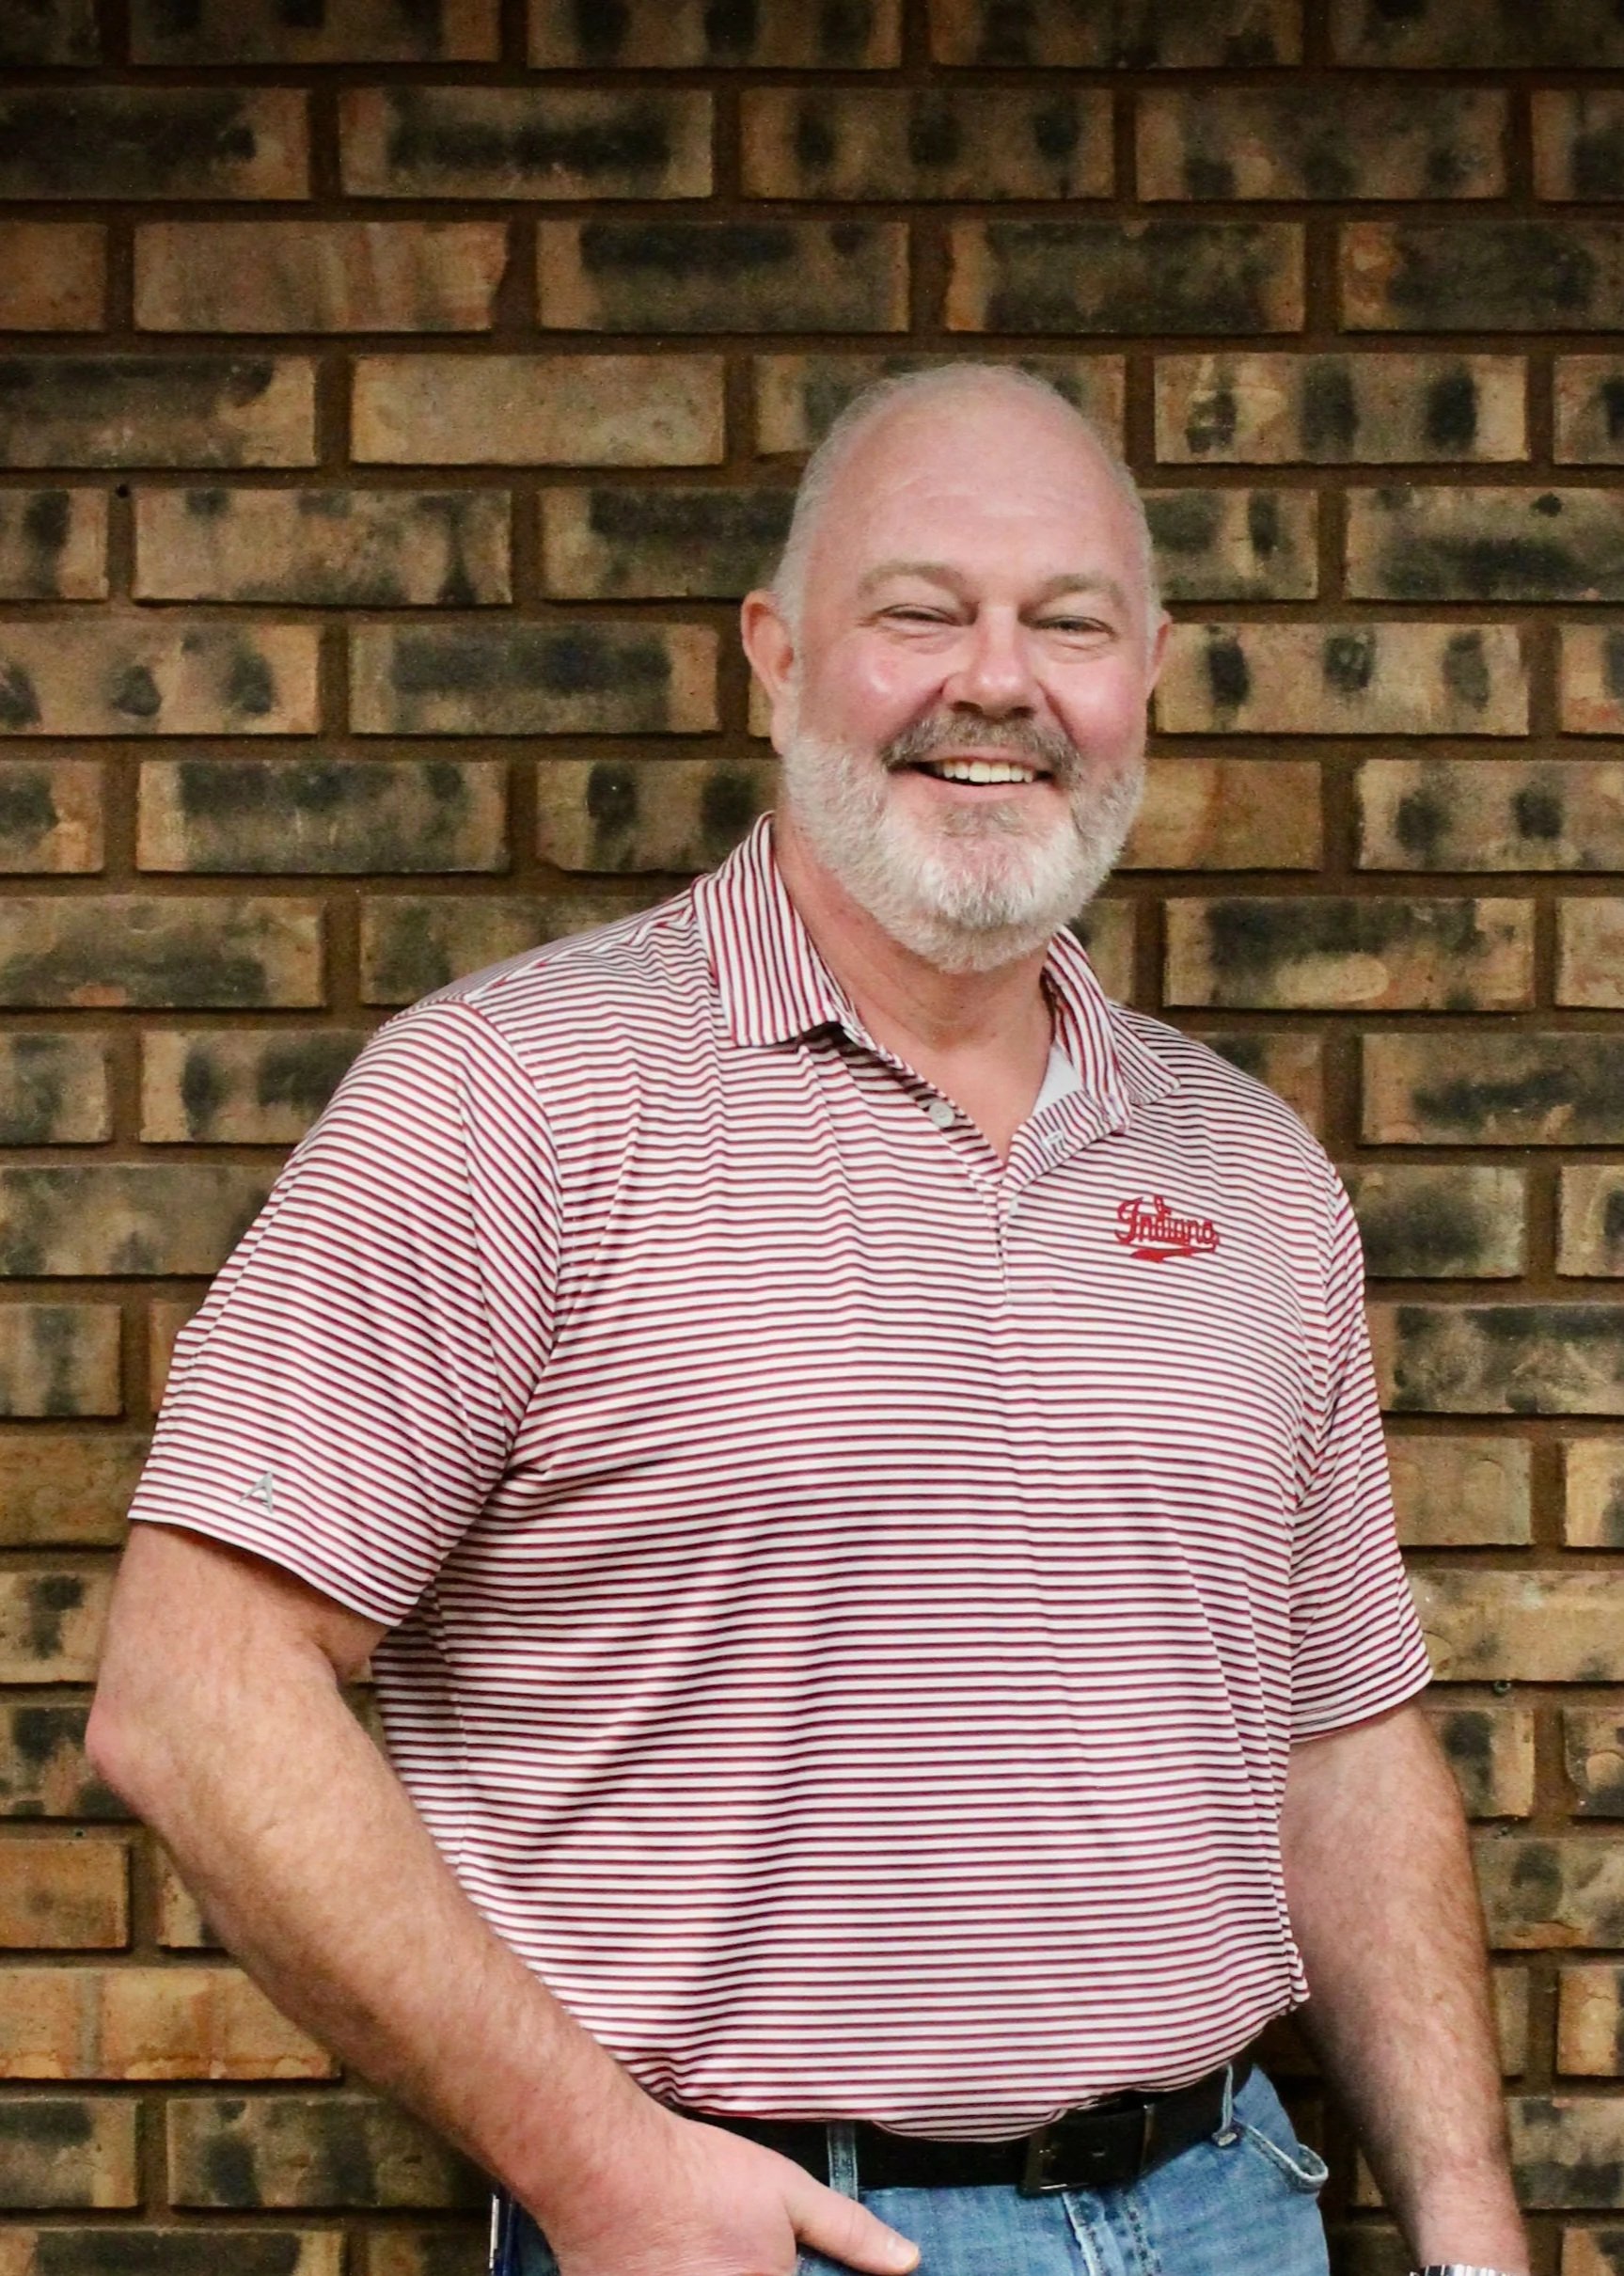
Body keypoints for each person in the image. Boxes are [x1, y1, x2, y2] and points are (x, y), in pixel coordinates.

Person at [88, 365, 1527, 2276]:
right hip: (758, 2232)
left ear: (1150, 676)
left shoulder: (1250, 1170)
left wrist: (1469, 2218)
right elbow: (195, 1696)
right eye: (921, 611)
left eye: (1069, 624)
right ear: (773, 655)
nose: (999, 682)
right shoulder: (515, 1100)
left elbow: (1340, 1742)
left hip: (1230, 2210)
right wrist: (601, 2169)